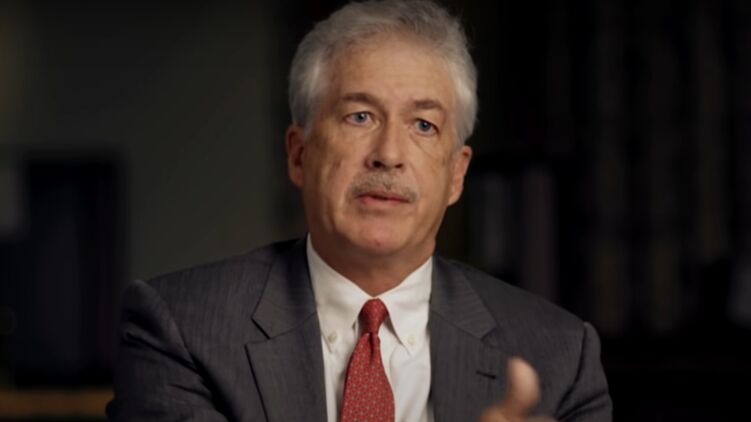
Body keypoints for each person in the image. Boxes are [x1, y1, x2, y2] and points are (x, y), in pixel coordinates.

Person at [106, 1, 612, 421]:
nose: (388, 154)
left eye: (423, 126)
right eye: (360, 116)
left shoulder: (560, 357)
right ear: (299, 155)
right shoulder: (180, 329)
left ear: (457, 174)